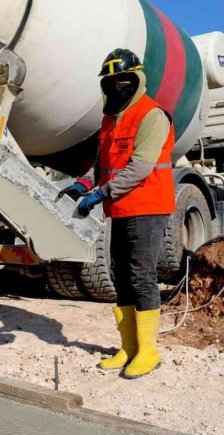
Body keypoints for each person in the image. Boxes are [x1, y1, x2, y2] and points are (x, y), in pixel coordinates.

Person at [60, 49, 175, 379]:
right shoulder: (111, 118)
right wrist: (82, 184)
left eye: (124, 80)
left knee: (141, 276)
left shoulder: (152, 115)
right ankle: (128, 348)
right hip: (120, 209)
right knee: (119, 276)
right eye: (111, 82)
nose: (118, 86)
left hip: (147, 206)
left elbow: (140, 168)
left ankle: (148, 351)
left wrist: (99, 194)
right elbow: (102, 163)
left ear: (138, 79)